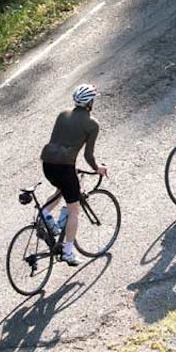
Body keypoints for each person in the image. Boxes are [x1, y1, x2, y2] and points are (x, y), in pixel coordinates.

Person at [39, 83, 108, 266]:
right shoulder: (92, 124)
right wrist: (97, 168)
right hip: (64, 167)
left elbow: (59, 140)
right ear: (89, 103)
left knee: (62, 189)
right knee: (74, 210)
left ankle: (44, 215)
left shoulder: (62, 114)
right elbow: (88, 155)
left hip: (47, 164)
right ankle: (68, 252)